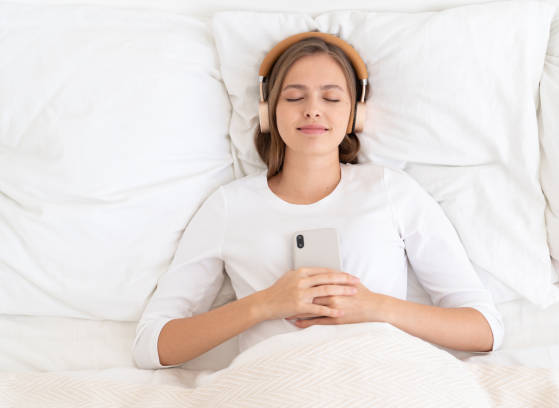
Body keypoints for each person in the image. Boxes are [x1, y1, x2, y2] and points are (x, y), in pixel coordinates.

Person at [132, 33, 504, 369]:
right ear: (268, 111)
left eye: (330, 97)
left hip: (380, 379)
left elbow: (485, 330)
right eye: (294, 97)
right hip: (276, 383)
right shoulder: (229, 206)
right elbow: (151, 346)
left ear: (354, 114)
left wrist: (375, 307)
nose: (312, 109)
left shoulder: (391, 190)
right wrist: (265, 304)